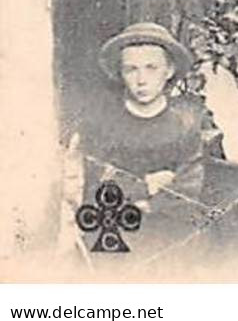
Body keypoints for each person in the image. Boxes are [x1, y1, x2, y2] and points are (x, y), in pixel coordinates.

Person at [76, 22, 206, 257]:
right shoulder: (103, 125)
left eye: (151, 68)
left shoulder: (184, 126)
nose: (141, 79)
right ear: (121, 73)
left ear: (168, 71)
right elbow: (96, 181)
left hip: (170, 238)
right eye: (131, 69)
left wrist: (152, 204)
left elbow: (190, 186)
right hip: (115, 234)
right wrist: (146, 185)